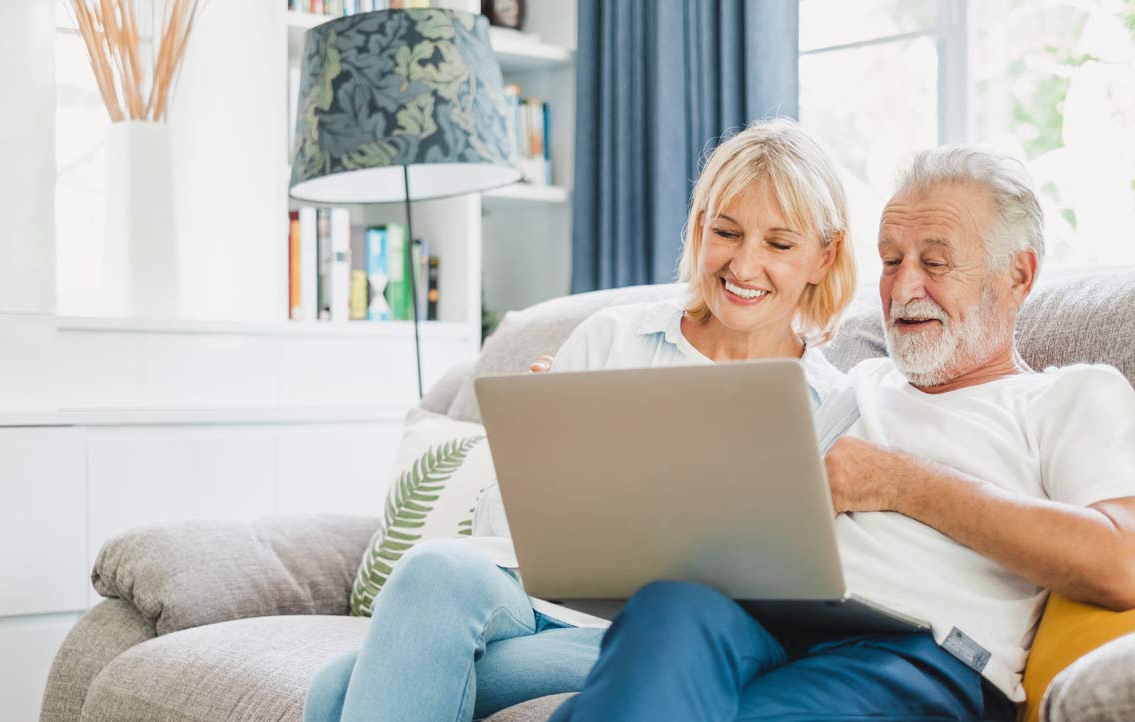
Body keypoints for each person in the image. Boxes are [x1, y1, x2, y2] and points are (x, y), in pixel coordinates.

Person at [546, 147, 1135, 722]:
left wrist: (901, 482)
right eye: (889, 261)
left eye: (934, 263)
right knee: (670, 604)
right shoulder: (847, 385)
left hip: (917, 654)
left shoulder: (1068, 396)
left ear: (1018, 276)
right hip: (767, 619)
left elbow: (1121, 562)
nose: (903, 289)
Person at [303, 117, 858, 722]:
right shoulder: (614, 337)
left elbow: (817, 592)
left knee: (338, 690)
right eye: (726, 232)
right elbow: (498, 533)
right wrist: (537, 457)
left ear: (823, 257)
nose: (745, 266)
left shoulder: (830, 406)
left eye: (779, 245)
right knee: (434, 566)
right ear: (700, 230)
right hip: (536, 595)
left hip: (664, 637)